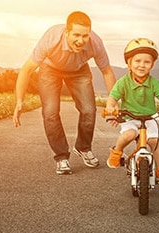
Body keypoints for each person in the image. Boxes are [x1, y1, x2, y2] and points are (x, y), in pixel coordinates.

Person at [13, 11, 116, 175]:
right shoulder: (51, 38)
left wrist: (113, 101)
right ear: (66, 31)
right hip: (50, 69)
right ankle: (61, 157)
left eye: (85, 36)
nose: (81, 41)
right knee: (51, 112)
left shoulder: (95, 42)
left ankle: (83, 147)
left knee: (89, 110)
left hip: (79, 70)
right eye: (76, 35)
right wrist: (19, 100)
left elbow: (107, 72)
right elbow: (26, 70)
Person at [105, 37, 159, 181]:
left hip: (150, 117)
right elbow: (113, 97)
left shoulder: (154, 83)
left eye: (147, 62)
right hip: (129, 117)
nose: (141, 65)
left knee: (153, 141)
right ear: (129, 64)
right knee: (129, 135)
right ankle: (116, 152)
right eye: (137, 61)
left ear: (152, 65)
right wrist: (110, 108)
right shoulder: (123, 82)